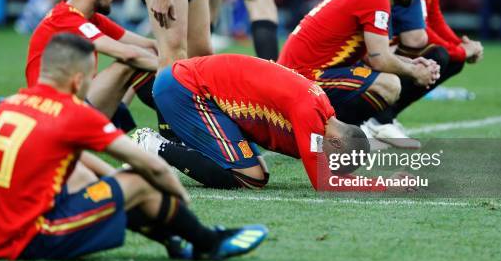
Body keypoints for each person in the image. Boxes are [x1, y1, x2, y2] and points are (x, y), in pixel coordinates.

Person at [0, 33, 267, 261]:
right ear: (78, 80)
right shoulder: (73, 112)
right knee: (138, 182)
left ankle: (176, 243)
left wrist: (113, 187)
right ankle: (206, 241)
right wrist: (180, 201)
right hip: (26, 240)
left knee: (85, 174)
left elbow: (79, 159)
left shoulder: (8, 103)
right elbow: (152, 167)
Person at [132, 53, 403, 192]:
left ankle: (164, 147)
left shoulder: (323, 108)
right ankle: (154, 146)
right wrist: (385, 183)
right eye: (333, 160)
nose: (326, 162)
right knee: (249, 178)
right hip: (185, 89)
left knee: (259, 171)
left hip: (196, 87)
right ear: (334, 142)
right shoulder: (311, 114)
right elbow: (323, 183)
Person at [278, 0, 439, 148]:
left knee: (386, 77)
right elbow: (380, 60)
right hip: (302, 78)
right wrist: (415, 72)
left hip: (296, 76)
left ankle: (346, 132)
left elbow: (374, 57)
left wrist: (413, 63)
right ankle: (337, 137)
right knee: (389, 85)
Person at [366, 0, 484, 135]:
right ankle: (379, 117)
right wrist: (459, 50)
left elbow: (434, 17)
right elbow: (420, 34)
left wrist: (460, 45)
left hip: (384, 49)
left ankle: (384, 117)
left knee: (448, 58)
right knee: (439, 56)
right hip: (379, 51)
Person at [26, 0, 158, 129]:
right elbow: (129, 53)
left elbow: (148, 44)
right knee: (131, 62)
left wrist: (179, 57)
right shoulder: (65, 18)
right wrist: (175, 70)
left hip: (73, 103)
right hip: (53, 113)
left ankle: (173, 124)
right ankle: (174, 127)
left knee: (145, 57)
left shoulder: (89, 17)